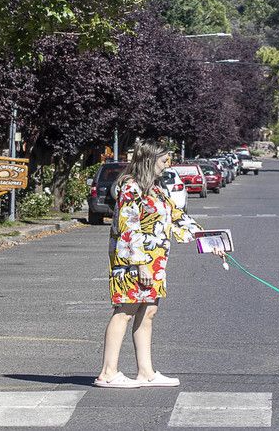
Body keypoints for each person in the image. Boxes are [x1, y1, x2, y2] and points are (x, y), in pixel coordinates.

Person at [93, 140, 223, 389]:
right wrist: (140, 264)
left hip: (154, 261)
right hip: (132, 261)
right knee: (125, 311)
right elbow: (128, 227)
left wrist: (211, 242)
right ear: (149, 160)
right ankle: (108, 373)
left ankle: (146, 372)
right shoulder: (131, 188)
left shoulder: (155, 189)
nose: (168, 166)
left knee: (148, 312)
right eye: (164, 161)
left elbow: (178, 218)